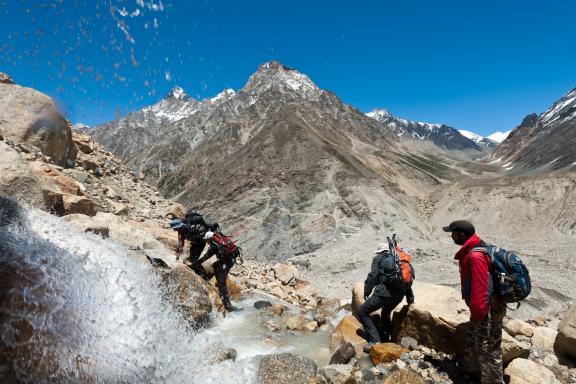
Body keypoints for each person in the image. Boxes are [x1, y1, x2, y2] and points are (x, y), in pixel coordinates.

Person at [443, 220, 505, 384]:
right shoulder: (475, 248)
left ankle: (493, 380)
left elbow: (481, 288)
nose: (451, 236)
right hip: (486, 307)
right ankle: (470, 371)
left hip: (487, 309)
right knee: (473, 338)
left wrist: (478, 314)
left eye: (453, 233)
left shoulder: (476, 255)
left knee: (489, 348)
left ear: (462, 235)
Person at [359, 243, 415, 353]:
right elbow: (407, 279)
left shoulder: (378, 259)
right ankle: (386, 336)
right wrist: (410, 297)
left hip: (383, 294)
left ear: (380, 252)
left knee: (363, 312)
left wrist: (367, 290)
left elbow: (373, 276)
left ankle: (375, 340)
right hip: (399, 295)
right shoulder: (399, 260)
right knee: (386, 311)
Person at [194, 231, 241, 312]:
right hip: (230, 261)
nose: (207, 242)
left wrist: (195, 263)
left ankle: (227, 305)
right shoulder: (221, 240)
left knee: (222, 283)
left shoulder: (215, 245)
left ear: (210, 239)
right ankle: (218, 282)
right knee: (216, 265)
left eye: (207, 240)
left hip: (227, 262)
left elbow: (206, 256)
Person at [173, 210, 211, 279]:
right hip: (195, 243)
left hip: (200, 243)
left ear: (178, 227)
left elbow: (181, 244)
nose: (174, 230)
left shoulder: (187, 227)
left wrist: (178, 257)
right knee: (192, 259)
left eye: (175, 229)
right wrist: (177, 256)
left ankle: (204, 276)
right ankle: (200, 273)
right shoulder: (181, 230)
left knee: (193, 260)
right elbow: (180, 244)